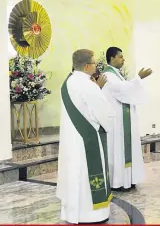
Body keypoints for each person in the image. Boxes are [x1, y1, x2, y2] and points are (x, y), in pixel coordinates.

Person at [57, 49, 115, 224]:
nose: (96, 67)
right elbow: (102, 112)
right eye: (95, 63)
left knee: (74, 173)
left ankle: (73, 213)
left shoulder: (67, 82)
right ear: (87, 66)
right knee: (87, 174)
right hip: (87, 141)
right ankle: (93, 214)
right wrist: (100, 90)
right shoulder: (88, 85)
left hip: (71, 140)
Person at [102, 47, 152, 191]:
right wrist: (138, 78)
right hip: (117, 123)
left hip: (124, 122)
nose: (123, 59)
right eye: (121, 57)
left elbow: (126, 88)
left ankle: (128, 179)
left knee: (126, 149)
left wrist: (136, 81)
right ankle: (118, 182)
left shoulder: (117, 75)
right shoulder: (108, 75)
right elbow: (122, 89)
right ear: (112, 58)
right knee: (119, 151)